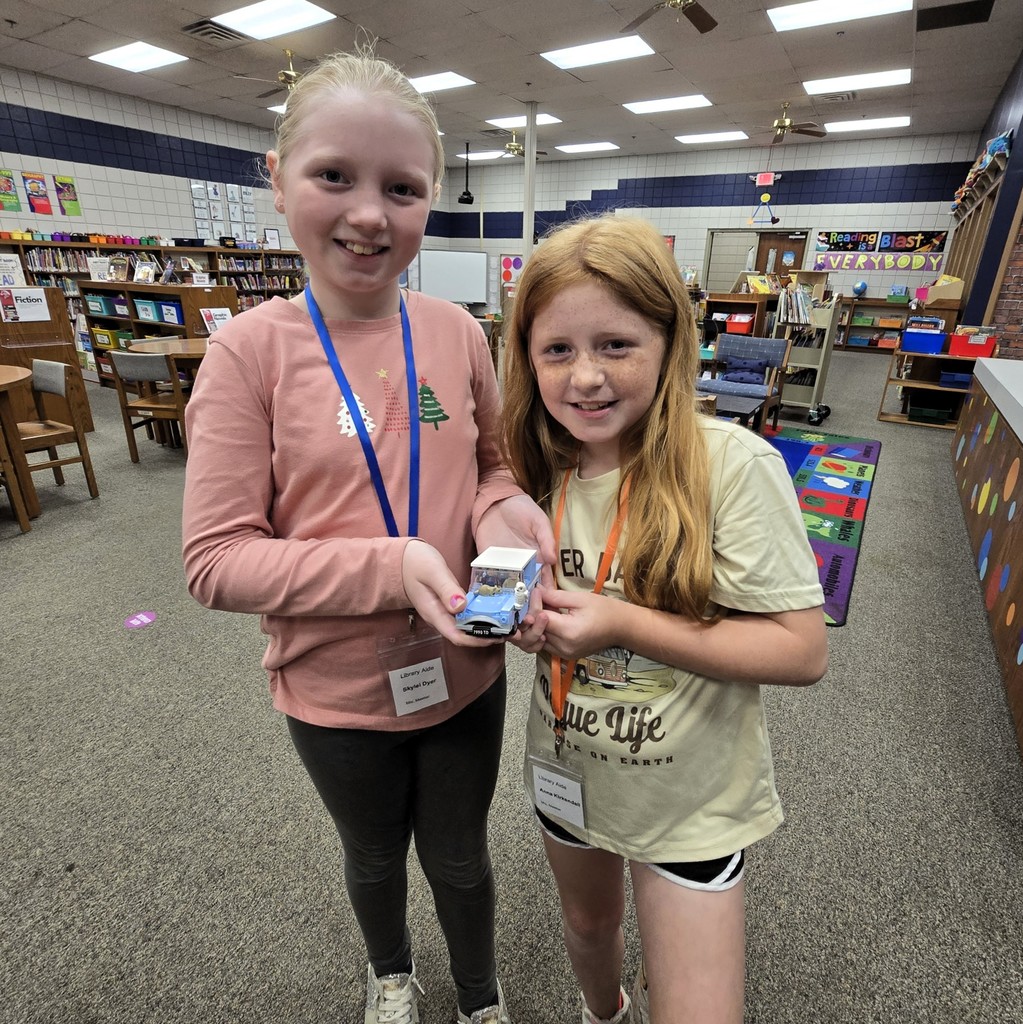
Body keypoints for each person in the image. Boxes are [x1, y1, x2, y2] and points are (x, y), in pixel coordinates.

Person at [182, 47, 554, 1024]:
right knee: (374, 854)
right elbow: (215, 560)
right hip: (334, 689)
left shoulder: (457, 331)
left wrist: (505, 513)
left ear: (430, 198)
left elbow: (495, 467)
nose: (368, 213)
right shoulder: (246, 354)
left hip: (464, 663)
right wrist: (391, 563)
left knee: (464, 858)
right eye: (333, 176)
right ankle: (390, 973)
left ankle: (478, 997)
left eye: (402, 187)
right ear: (276, 180)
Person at [500, 215, 829, 1024]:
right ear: (526, 357)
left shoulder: (731, 465)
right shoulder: (529, 469)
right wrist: (521, 618)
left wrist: (623, 625)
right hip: (569, 766)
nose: (585, 378)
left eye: (617, 345)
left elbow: (800, 650)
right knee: (587, 926)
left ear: (670, 342)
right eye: (557, 350)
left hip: (691, 795)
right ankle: (605, 1011)